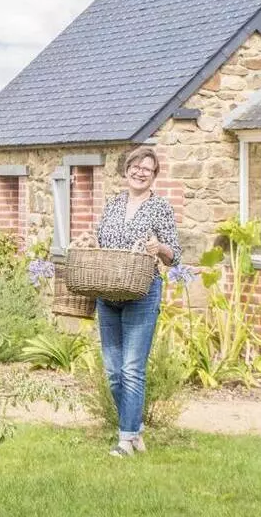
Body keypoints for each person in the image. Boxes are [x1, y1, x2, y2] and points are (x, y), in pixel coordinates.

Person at [95, 147, 182, 457]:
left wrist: (159, 247)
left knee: (132, 369)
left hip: (142, 293)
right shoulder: (112, 204)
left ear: (154, 175)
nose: (141, 172)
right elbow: (100, 243)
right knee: (114, 372)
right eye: (136, 166)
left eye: (148, 168)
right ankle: (136, 431)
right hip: (108, 293)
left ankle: (124, 441)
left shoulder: (160, 208)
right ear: (126, 170)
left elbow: (175, 256)